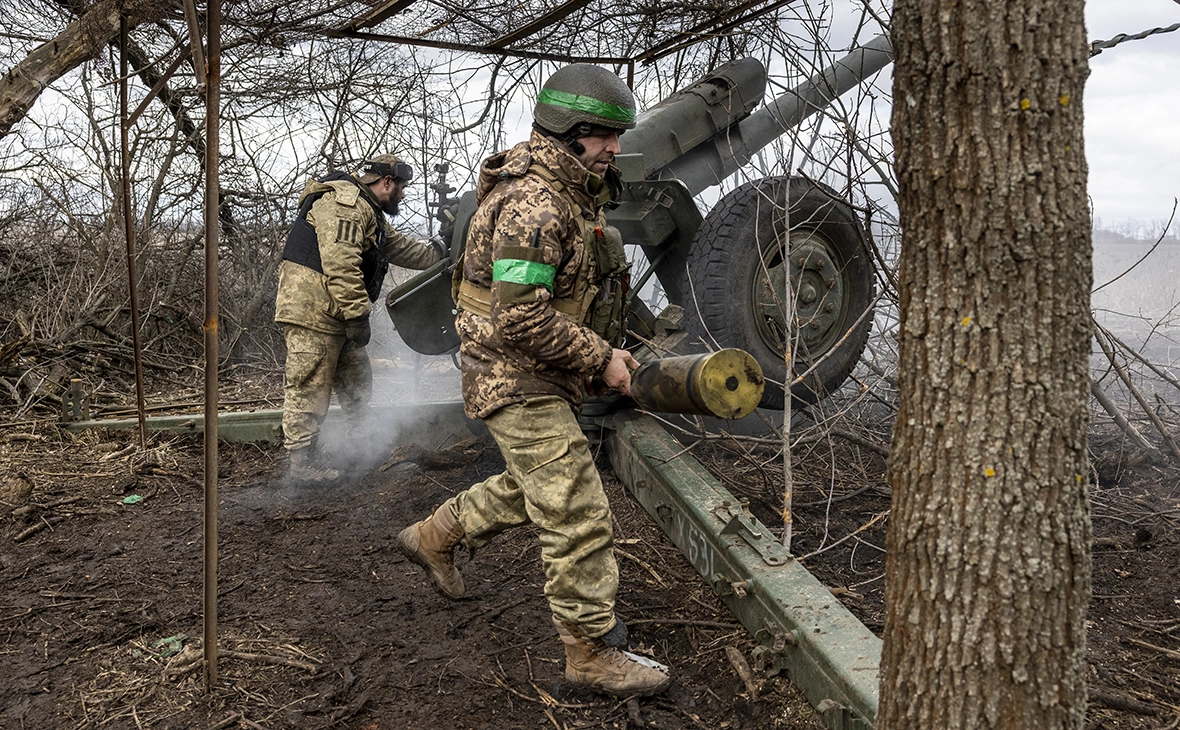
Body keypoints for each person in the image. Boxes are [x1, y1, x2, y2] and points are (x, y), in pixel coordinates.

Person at [398, 65, 671, 697]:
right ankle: (589, 654)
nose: (615, 148)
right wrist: (598, 358)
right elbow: (520, 317)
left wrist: (595, 360)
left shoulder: (565, 194)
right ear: (571, 133)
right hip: (512, 375)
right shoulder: (535, 204)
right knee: (575, 507)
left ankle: (433, 536)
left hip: (536, 372)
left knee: (540, 486)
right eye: (605, 136)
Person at [274, 154, 444, 483]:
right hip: (313, 312)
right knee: (308, 387)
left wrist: (442, 249)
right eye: (403, 188)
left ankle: (361, 447)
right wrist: (357, 316)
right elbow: (341, 266)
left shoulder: (370, 214)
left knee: (356, 383)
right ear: (387, 183)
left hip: (334, 313)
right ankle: (300, 467)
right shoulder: (346, 205)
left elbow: (405, 250)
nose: (404, 195)